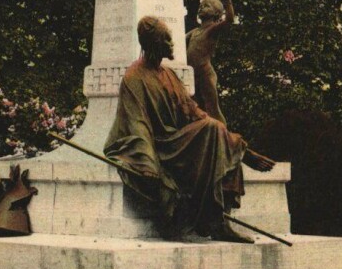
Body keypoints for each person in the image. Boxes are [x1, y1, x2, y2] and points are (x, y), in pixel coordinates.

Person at [104, 16, 267, 243]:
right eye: (167, 40)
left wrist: (244, 150)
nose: (173, 45)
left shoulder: (169, 74)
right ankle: (210, 221)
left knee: (218, 133)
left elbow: (192, 112)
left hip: (178, 141)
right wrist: (148, 163)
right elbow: (136, 124)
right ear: (154, 44)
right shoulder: (134, 77)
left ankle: (222, 221)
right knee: (213, 129)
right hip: (160, 145)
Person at [186, 0, 234, 124]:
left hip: (205, 74)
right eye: (200, 6)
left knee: (212, 108)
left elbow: (229, 19)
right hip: (193, 75)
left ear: (216, 13)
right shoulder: (195, 31)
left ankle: (223, 136)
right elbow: (178, 41)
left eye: (206, 6)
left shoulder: (212, 29)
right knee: (196, 108)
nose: (201, 8)